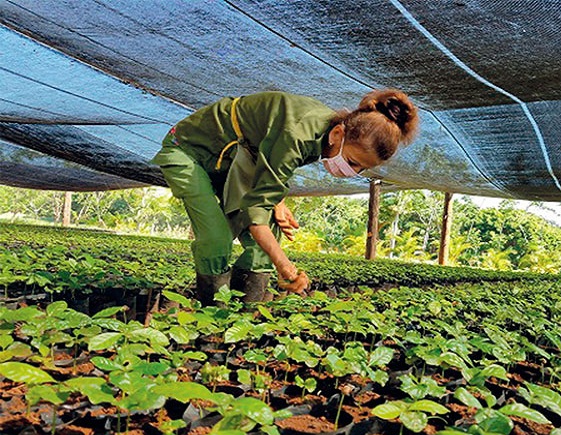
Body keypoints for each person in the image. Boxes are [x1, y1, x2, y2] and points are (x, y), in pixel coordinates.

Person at [152, 89, 418, 305]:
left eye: (360, 168)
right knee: (217, 237)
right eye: (351, 161)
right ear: (339, 134)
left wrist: (276, 202)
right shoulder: (301, 133)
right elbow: (257, 216)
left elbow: (268, 154)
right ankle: (213, 313)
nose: (351, 171)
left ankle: (244, 313)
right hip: (190, 150)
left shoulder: (327, 132)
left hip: (236, 159)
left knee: (270, 234)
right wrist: (286, 267)